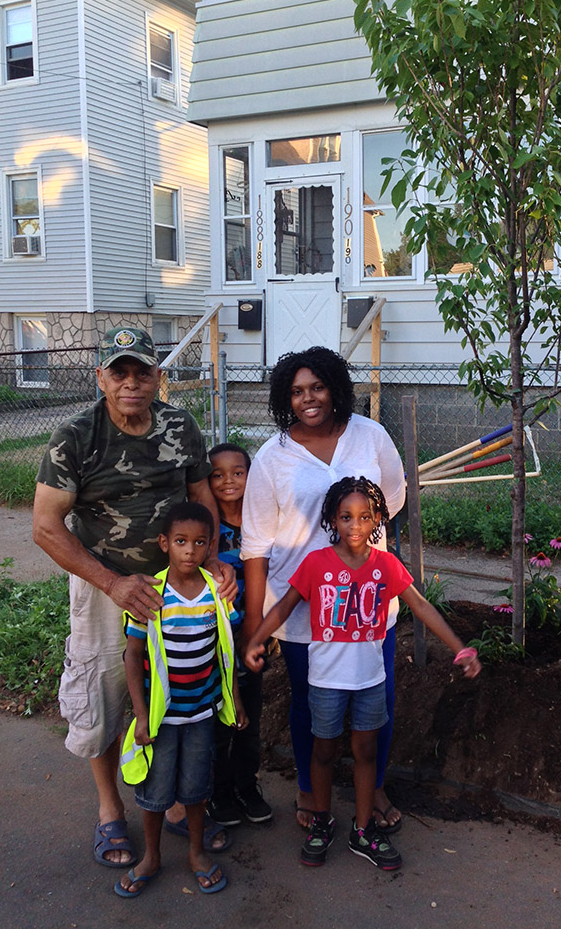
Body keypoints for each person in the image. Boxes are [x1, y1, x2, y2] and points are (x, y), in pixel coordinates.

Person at [32, 326, 236, 869]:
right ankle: (109, 812)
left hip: (177, 586)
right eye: (118, 372)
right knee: (104, 697)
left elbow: (200, 497)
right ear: (101, 377)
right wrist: (112, 583)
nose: (131, 382)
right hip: (106, 586)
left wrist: (211, 560)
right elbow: (46, 527)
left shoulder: (179, 425)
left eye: (141, 371)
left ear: (157, 377)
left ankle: (168, 806)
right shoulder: (75, 436)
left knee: (173, 695)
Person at [245, 477, 481, 870]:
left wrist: (460, 648)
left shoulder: (385, 564)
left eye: (365, 517)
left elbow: (420, 606)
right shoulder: (316, 563)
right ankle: (321, 821)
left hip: (371, 680)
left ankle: (364, 827)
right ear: (332, 520)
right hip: (325, 681)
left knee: (366, 751)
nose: (355, 525)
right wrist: (256, 640)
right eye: (346, 517)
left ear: (377, 521)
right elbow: (285, 606)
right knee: (323, 751)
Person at [240, 346, 406, 832]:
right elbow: (255, 544)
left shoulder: (370, 436)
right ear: (283, 398)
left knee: (378, 699)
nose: (307, 399)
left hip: (369, 606)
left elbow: (391, 499)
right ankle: (312, 794)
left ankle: (373, 788)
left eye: (316, 387)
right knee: (309, 705)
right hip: (301, 613)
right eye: (295, 391)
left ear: (334, 387)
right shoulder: (274, 457)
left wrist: (359, 555)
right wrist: (255, 625)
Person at [116, 502, 246, 897]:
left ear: (211, 547)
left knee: (195, 789)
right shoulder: (151, 594)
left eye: (199, 543)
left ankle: (195, 853)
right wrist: (141, 715)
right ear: (164, 544)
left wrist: (235, 701)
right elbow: (133, 657)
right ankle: (151, 857)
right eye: (180, 542)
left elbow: (226, 652)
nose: (190, 550)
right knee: (155, 794)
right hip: (162, 719)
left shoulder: (216, 593)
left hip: (202, 713)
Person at [206, 443, 273, 826]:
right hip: (214, 642)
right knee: (218, 718)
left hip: (254, 637)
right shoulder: (205, 530)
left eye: (238, 472)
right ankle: (219, 793)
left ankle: (247, 786)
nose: (228, 480)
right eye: (217, 474)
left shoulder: (261, 523)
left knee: (250, 713)